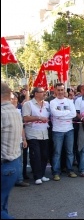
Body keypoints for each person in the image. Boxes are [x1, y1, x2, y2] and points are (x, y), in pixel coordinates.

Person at [1, 82, 23, 219]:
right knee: (3, 204)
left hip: (4, 164)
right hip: (13, 163)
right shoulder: (14, 110)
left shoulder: (2, 112)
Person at [22, 87, 51, 185]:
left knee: (44, 155)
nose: (44, 93)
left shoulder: (47, 104)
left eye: (44, 92)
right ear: (36, 94)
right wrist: (38, 117)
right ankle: (37, 176)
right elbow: (25, 118)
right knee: (36, 155)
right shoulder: (28, 104)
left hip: (44, 133)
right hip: (33, 133)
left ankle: (42, 174)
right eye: (42, 92)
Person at [49, 83, 78, 181]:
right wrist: (67, 113)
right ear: (55, 90)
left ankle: (70, 170)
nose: (60, 92)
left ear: (64, 90)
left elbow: (74, 114)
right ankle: (56, 172)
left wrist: (62, 114)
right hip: (57, 131)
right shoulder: (52, 102)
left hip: (69, 129)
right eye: (59, 90)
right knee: (57, 152)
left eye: (62, 90)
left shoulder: (70, 101)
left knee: (70, 152)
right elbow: (55, 114)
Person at [11, 92, 30, 187]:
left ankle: (19, 179)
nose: (14, 100)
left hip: (18, 140)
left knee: (19, 161)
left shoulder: (18, 111)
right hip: (7, 142)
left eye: (15, 99)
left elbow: (21, 126)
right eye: (11, 99)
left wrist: (24, 139)